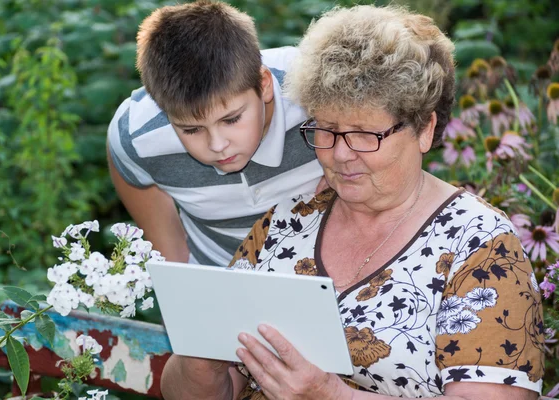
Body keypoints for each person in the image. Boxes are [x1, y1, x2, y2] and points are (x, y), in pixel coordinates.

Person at [160, 4, 545, 400]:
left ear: (425, 129)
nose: (340, 154)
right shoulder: (286, 223)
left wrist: (330, 395)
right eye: (327, 129)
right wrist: (201, 353)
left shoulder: (480, 244)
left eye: (364, 133)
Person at [106, 0, 324, 267]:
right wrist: (179, 270)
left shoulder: (316, 90)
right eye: (191, 129)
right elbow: (126, 164)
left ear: (264, 84)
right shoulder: (137, 136)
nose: (218, 145)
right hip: (218, 283)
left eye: (231, 119)